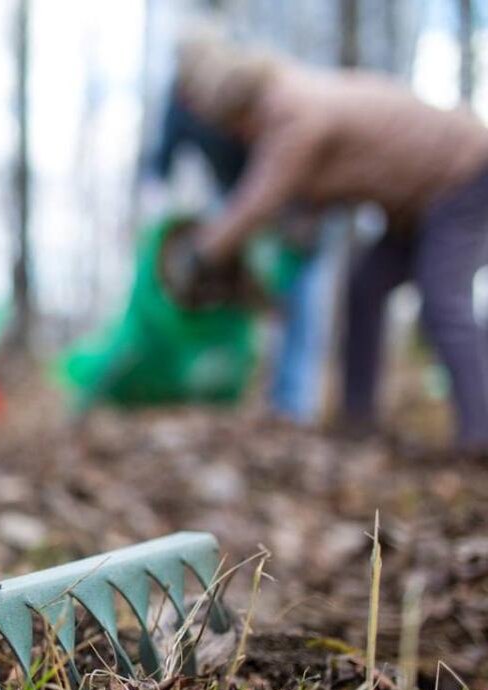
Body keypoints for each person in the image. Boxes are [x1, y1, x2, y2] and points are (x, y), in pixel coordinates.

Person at [179, 34, 488, 452]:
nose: (241, 139)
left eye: (237, 129)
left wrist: (203, 251)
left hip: (464, 173)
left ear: (243, 112)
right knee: (364, 288)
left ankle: (479, 434)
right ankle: (357, 420)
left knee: (442, 300)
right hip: (417, 202)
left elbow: (260, 198)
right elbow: (314, 198)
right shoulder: (297, 94)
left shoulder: (295, 114)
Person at [147, 89, 339, 426]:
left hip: (293, 206)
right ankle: (231, 391)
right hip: (236, 203)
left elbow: (273, 185)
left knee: (298, 301)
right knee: (235, 299)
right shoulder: (181, 104)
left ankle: (293, 405)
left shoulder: (273, 108)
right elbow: (161, 164)